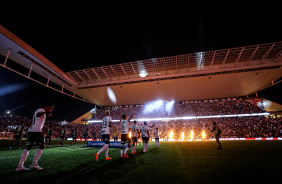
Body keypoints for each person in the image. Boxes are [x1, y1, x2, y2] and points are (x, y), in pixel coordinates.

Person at [16, 100, 54, 171]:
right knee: (41, 146)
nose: (51, 109)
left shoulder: (42, 111)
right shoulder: (41, 110)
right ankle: (34, 164)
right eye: (51, 107)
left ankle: (20, 166)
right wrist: (46, 112)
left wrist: (47, 114)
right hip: (36, 131)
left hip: (33, 130)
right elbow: (38, 114)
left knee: (28, 147)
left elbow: (38, 117)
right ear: (47, 106)